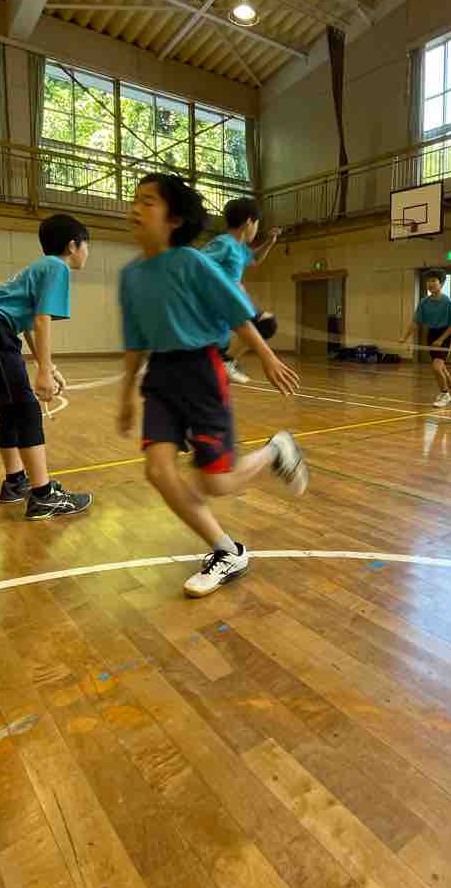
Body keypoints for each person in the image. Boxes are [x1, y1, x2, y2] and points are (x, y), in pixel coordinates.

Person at [118, 173, 308, 599]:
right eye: (135, 199)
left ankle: (276, 450)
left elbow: (236, 313)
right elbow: (134, 340)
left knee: (214, 485)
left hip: (202, 372)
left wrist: (268, 357)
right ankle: (227, 551)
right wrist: (126, 396)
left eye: (148, 201)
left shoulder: (193, 262)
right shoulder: (130, 276)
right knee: (157, 470)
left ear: (174, 218)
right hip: (161, 377)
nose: (136, 208)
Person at [0, 213, 92, 518]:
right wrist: (42, 372)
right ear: (73, 246)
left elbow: (29, 324)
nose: (87, 252)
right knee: (26, 409)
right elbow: (43, 320)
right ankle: (43, 496)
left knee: (12, 408)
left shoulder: (41, 267)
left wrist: (48, 366)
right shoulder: (58, 267)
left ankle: (16, 482)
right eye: (86, 245)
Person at [201, 197, 281, 385]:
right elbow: (200, 263)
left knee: (267, 323)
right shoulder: (224, 243)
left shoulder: (240, 248)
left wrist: (269, 242)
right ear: (248, 222)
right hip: (217, 307)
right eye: (257, 223)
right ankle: (225, 360)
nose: (256, 228)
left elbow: (254, 259)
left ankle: (226, 360)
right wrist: (230, 285)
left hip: (231, 308)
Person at [401, 270, 451, 407]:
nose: (430, 284)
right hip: (431, 335)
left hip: (445, 334)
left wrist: (441, 339)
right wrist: (405, 338)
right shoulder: (424, 302)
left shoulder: (449, 303)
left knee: (436, 367)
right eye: (428, 281)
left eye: (434, 281)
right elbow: (416, 322)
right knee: (440, 366)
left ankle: (444, 393)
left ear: (441, 283)